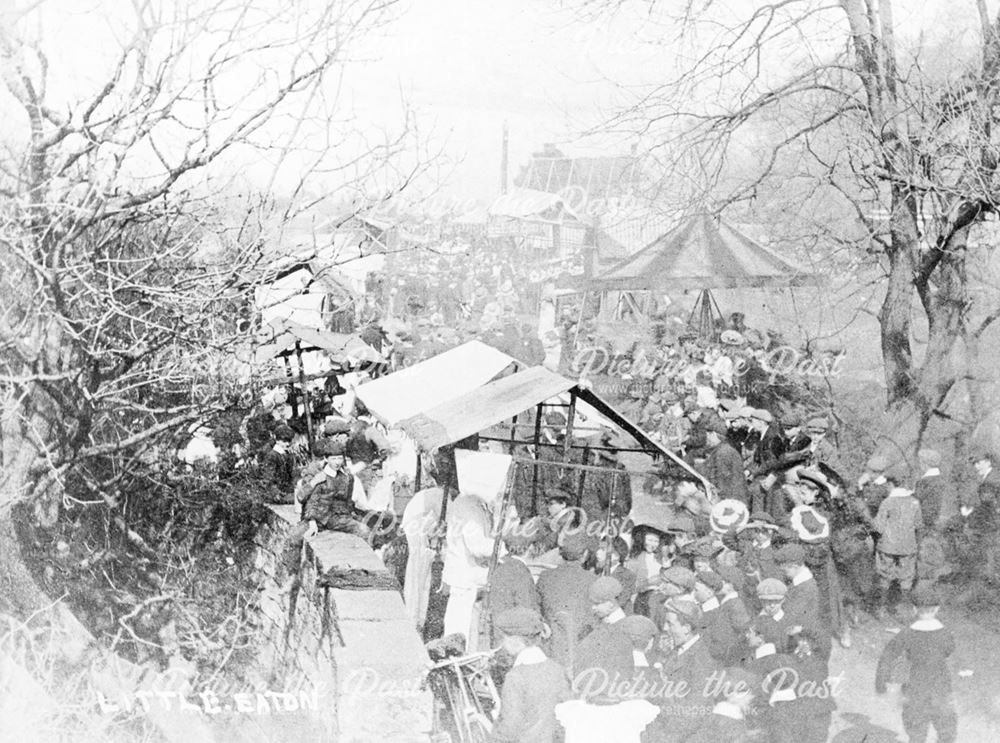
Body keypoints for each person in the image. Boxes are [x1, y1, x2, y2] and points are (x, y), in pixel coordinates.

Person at [875, 586, 957, 743]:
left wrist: (881, 683)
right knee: (947, 728)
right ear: (937, 609)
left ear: (914, 609)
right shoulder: (945, 633)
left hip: (915, 688)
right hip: (941, 688)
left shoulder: (906, 633)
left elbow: (887, 656)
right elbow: (949, 650)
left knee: (916, 730)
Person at [490, 607, 571, 743]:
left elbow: (510, 728)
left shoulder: (516, 677)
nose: (502, 644)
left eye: (503, 639)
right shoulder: (556, 669)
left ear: (515, 641)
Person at [442, 491, 495, 648]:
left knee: (462, 621)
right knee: (460, 624)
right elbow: (477, 546)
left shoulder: (473, 502)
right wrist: (503, 548)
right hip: (465, 575)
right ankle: (455, 658)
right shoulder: (468, 506)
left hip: (466, 574)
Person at [536, 533, 597, 668]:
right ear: (585, 555)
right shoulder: (592, 579)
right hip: (580, 644)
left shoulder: (545, 576)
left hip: (552, 644)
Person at [872, 467, 923, 620]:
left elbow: (879, 527)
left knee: (884, 576)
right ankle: (904, 612)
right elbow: (919, 525)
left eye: (887, 484)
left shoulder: (887, 502)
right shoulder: (914, 502)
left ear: (891, 484)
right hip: (908, 547)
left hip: (887, 546)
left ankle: (881, 609)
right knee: (906, 578)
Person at [572, 576, 635, 695]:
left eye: (597, 604)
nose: (593, 607)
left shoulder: (624, 629)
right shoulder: (601, 623)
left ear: (611, 603)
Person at [486, 528, 540, 645]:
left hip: (499, 634)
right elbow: (527, 607)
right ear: (529, 548)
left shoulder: (501, 566)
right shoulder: (520, 571)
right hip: (515, 639)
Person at [699, 419, 749, 504]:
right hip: (733, 498)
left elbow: (721, 481)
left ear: (714, 434)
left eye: (708, 435)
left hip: (730, 501)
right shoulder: (723, 449)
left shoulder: (723, 453)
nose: (707, 438)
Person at [913, 448, 946, 530]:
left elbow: (915, 500)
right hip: (937, 521)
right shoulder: (941, 480)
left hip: (924, 522)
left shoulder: (924, 481)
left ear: (925, 464)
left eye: (920, 461)